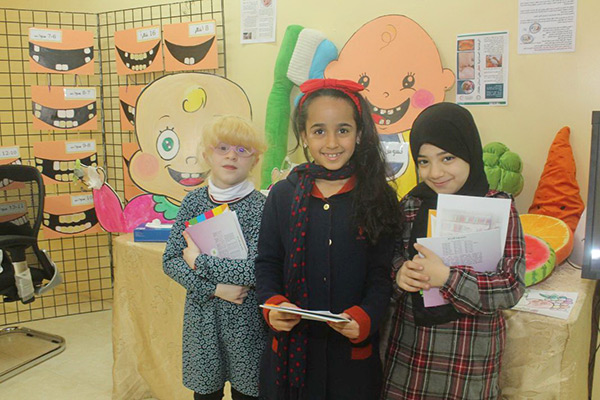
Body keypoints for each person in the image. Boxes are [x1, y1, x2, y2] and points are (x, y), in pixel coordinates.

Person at [255, 78, 401, 400]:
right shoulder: (282, 195)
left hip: (350, 360)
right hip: (291, 356)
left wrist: (366, 317)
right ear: (304, 136)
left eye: (343, 130)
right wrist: (273, 305)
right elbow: (267, 263)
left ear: (359, 134)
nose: (332, 142)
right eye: (319, 131)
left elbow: (382, 274)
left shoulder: (378, 197)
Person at [381, 102, 526, 400]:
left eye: (447, 158)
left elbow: (511, 286)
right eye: (424, 161)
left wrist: (447, 278)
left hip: (468, 358)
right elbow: (387, 260)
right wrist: (399, 274)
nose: (435, 172)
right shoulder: (411, 205)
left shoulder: (498, 207)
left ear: (469, 151)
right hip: (411, 356)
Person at [163, 115, 268, 400]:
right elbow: (171, 260)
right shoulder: (193, 201)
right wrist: (215, 288)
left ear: (255, 160)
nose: (232, 155)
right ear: (207, 154)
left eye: (242, 149)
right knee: (206, 394)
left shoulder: (262, 207)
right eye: (223, 148)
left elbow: (255, 270)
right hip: (203, 320)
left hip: (246, 323)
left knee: (248, 393)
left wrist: (199, 262)